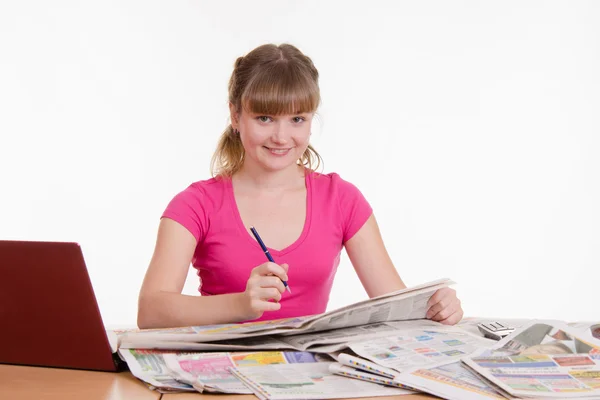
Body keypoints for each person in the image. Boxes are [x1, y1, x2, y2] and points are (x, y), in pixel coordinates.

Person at [137, 43, 463, 329]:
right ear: (235, 116)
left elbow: (395, 305)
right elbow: (150, 311)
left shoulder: (342, 199)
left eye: (297, 119)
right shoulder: (195, 204)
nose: (281, 137)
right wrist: (240, 304)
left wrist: (436, 308)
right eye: (265, 118)